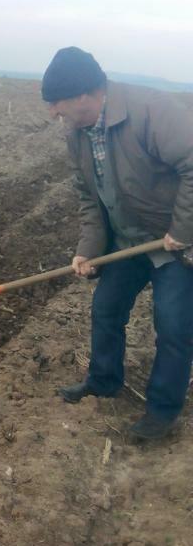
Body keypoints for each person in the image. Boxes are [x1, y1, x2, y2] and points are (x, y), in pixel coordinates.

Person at [42, 46, 193, 440]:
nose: (53, 112)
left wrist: (183, 229)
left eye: (57, 103)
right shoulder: (76, 134)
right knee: (106, 309)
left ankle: (161, 413)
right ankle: (104, 381)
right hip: (129, 241)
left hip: (172, 242)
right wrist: (88, 250)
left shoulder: (151, 111)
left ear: (82, 96)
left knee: (174, 326)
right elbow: (89, 197)